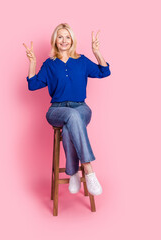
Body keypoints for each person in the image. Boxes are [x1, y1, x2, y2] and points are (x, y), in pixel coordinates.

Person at [23, 23, 111, 196]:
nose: (64, 40)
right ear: (55, 40)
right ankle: (89, 170)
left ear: (72, 40)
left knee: (73, 121)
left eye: (67, 37)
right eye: (60, 37)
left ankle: (73, 173)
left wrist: (97, 52)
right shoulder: (49, 64)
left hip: (81, 107)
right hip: (57, 110)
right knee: (71, 116)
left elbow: (104, 71)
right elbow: (33, 85)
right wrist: (32, 63)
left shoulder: (82, 61)